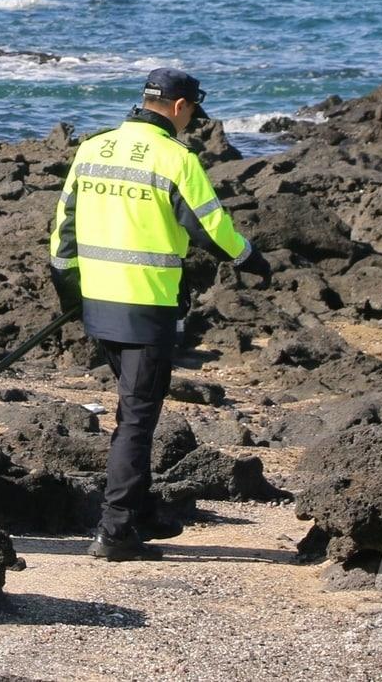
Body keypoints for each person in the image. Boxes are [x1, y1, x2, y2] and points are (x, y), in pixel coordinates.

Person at [49, 68, 271, 561]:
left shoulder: (92, 149)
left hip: (98, 304)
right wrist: (250, 257)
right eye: (192, 111)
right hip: (147, 306)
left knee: (133, 409)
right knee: (137, 419)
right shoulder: (176, 158)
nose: (191, 120)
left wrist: (71, 296)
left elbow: (62, 235)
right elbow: (211, 227)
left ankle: (141, 512)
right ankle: (116, 528)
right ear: (177, 107)